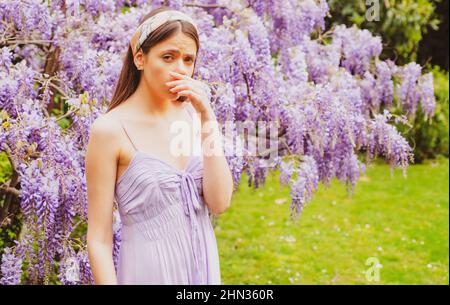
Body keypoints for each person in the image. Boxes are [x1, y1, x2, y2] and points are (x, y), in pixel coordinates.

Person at [85, 6, 233, 285]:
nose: (180, 69)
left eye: (188, 60)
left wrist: (207, 116)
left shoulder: (194, 117)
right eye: (168, 57)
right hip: (148, 272)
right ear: (140, 58)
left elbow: (220, 201)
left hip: (202, 272)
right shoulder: (109, 130)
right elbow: (99, 240)